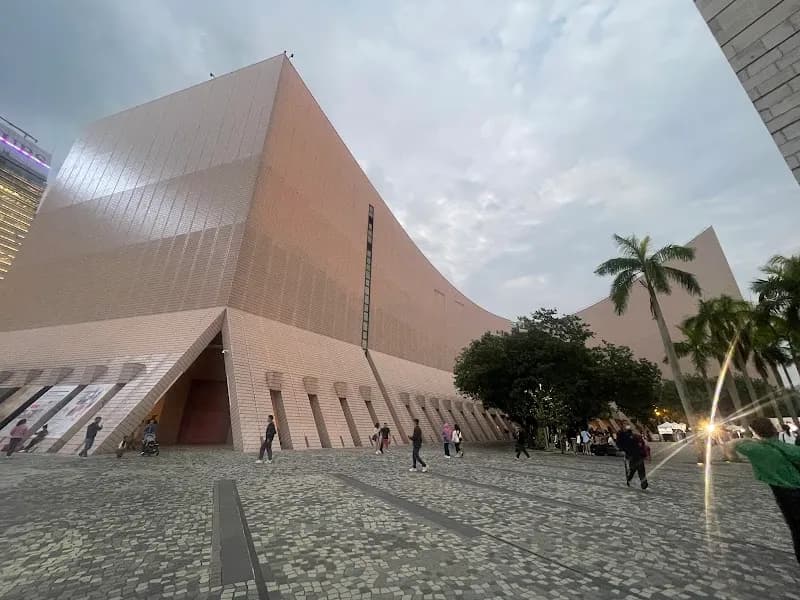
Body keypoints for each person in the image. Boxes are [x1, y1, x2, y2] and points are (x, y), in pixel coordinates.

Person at [733, 417, 800, 564]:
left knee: (796, 528)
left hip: (786, 492)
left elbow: (737, 444)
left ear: (755, 432)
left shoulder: (756, 448)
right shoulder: (787, 446)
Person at [618, 424, 648, 490]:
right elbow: (641, 445)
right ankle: (643, 483)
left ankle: (629, 479)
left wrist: (623, 450)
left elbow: (621, 445)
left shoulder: (625, 437)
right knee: (641, 470)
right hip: (638, 454)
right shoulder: (635, 436)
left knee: (632, 469)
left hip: (631, 455)